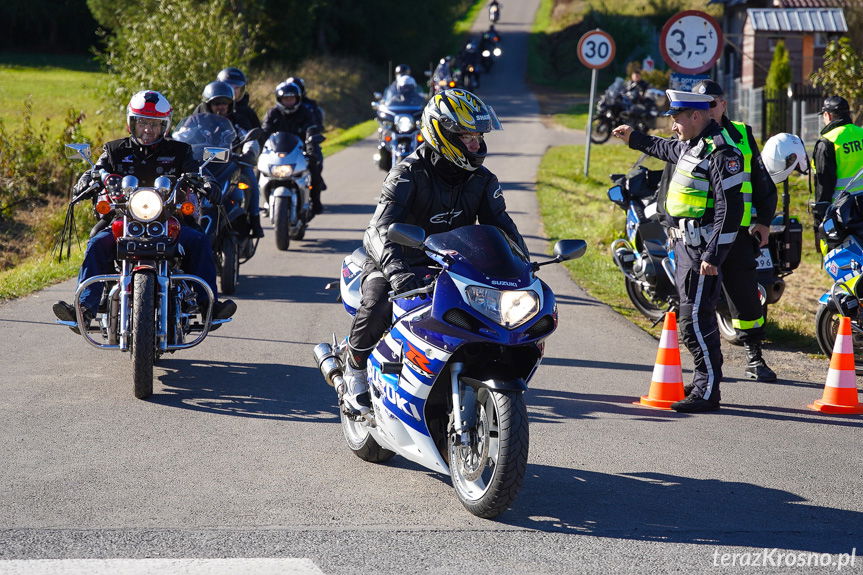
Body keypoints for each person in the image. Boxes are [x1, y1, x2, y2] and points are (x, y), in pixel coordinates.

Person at [341, 89, 528, 415]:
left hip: (451, 266)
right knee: (379, 300)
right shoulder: (406, 174)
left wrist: (522, 267)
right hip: (396, 262)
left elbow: (502, 227)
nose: (477, 145)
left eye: (479, 137)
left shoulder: (483, 180)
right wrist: (398, 273)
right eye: (468, 137)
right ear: (443, 134)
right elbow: (378, 230)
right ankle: (354, 368)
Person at [52, 90, 236, 331]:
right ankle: (84, 310)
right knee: (97, 241)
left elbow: (196, 172)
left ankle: (209, 307)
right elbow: (96, 169)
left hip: (169, 219)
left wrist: (208, 183)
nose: (148, 129)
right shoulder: (114, 150)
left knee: (199, 240)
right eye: (142, 122)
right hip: (124, 219)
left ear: (164, 126)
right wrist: (86, 180)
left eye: (154, 124)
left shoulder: (180, 151)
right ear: (132, 123)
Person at [612, 90, 744, 413]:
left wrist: (713, 254)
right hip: (685, 246)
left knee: (694, 320)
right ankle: (703, 383)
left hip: (701, 251)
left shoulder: (721, 152)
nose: (673, 126)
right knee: (695, 318)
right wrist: (633, 137)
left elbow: (730, 209)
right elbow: (662, 147)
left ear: (695, 116)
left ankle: (707, 391)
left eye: (677, 119)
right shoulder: (691, 145)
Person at [691, 79, 778, 383]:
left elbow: (761, 178)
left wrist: (764, 220)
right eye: (701, 106)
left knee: (746, 296)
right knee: (698, 299)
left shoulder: (741, 133)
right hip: (699, 233)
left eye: (712, 104)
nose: (707, 110)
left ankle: (754, 358)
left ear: (723, 104)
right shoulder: (689, 134)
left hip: (736, 231)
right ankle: (704, 366)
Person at [194, 80, 264, 238]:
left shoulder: (237, 120)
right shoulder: (196, 119)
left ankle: (255, 219)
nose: (221, 107)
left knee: (251, 178)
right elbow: (183, 135)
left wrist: (249, 152)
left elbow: (247, 137)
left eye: (225, 103)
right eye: (216, 103)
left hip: (232, 161)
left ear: (230, 104)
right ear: (208, 104)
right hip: (203, 163)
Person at [262, 80, 325, 215]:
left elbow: (312, 130)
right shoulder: (272, 113)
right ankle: (263, 203)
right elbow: (264, 132)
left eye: (291, 98)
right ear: (280, 100)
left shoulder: (306, 112)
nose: (289, 101)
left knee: (314, 169)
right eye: (286, 99)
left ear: (297, 99)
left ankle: (316, 202)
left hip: (300, 151)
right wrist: (259, 147)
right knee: (260, 170)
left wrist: (311, 147)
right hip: (276, 153)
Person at [812, 96, 863, 244]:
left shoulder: (827, 141)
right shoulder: (861, 134)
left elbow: (823, 188)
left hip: (841, 215)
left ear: (827, 115)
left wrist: (819, 221)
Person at [217, 67, 261, 131]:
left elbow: (259, 134)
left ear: (241, 90)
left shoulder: (248, 112)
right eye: (229, 87)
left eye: (237, 88)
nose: (233, 91)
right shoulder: (210, 107)